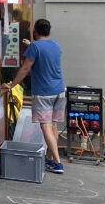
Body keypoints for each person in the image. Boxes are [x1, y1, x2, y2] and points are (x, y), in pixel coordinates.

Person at [4, 18, 66, 174]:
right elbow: (44, 53)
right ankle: (50, 159)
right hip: (59, 90)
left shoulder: (35, 47)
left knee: (45, 126)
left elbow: (25, 69)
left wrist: (12, 85)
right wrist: (30, 45)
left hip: (44, 92)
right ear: (49, 30)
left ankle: (58, 163)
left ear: (35, 31)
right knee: (53, 126)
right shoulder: (56, 45)